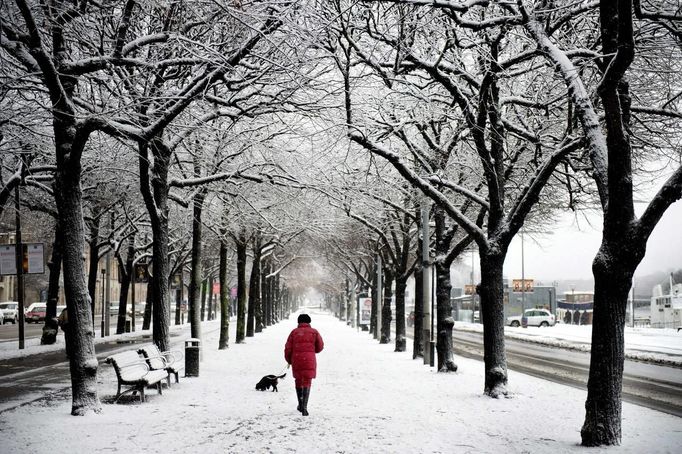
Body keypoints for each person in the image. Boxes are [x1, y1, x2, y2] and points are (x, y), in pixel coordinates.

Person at [284, 313, 324, 416]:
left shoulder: (294, 332)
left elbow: (288, 348)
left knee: (298, 381)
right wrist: (311, 350)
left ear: (299, 322)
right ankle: (305, 406)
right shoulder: (314, 332)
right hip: (309, 360)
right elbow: (320, 347)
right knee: (307, 381)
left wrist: (289, 360)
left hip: (297, 359)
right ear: (309, 321)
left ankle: (300, 404)